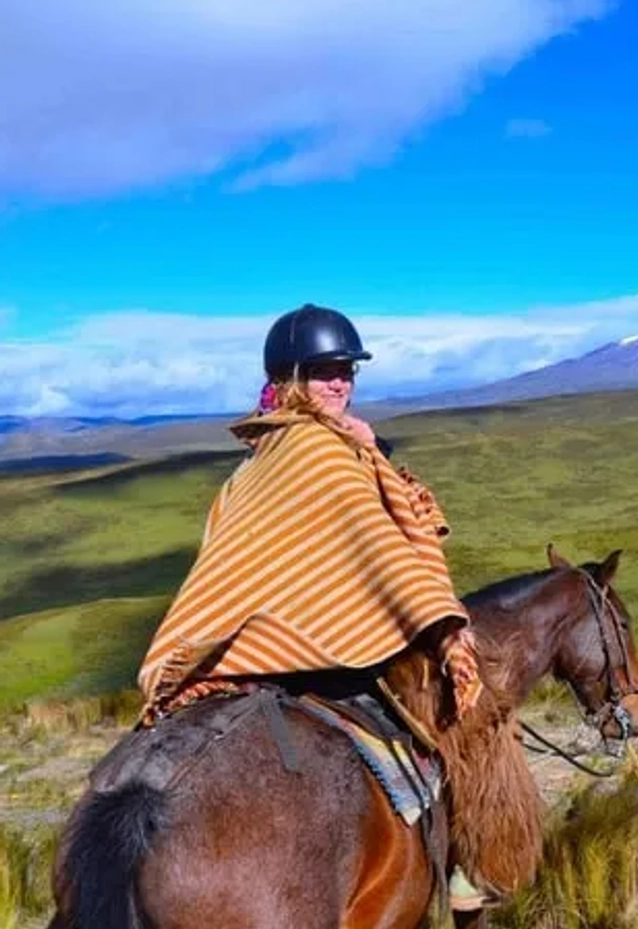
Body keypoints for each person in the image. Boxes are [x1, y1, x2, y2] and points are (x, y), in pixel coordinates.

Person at [135, 303, 506, 912]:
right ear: (290, 378)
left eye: (349, 371)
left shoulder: (263, 454)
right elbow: (382, 551)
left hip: (249, 650)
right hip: (328, 651)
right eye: (326, 371)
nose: (341, 383)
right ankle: (466, 873)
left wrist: (369, 451)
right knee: (460, 712)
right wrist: (434, 618)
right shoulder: (324, 453)